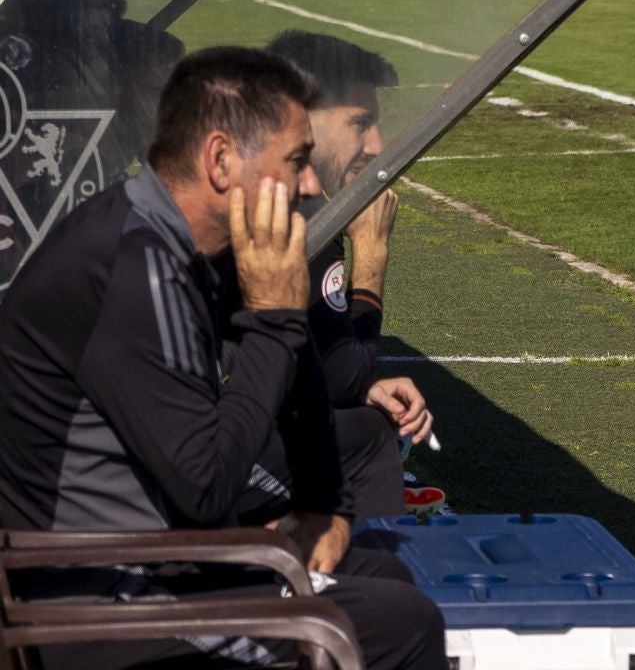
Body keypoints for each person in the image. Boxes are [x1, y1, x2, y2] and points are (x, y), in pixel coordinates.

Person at [0, 46, 444, 670]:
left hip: (151, 560)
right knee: (402, 623)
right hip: (98, 606)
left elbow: (292, 394)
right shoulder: (136, 269)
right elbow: (205, 490)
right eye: (296, 161)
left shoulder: (182, 243)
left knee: (383, 572)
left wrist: (325, 507)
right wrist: (274, 322)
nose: (310, 183)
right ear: (220, 160)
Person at [266, 31, 431, 443]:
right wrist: (372, 251)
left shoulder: (265, 187)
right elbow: (344, 378)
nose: (376, 145)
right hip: (222, 450)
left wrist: (363, 388)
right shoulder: (294, 214)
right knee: (371, 434)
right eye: (359, 123)